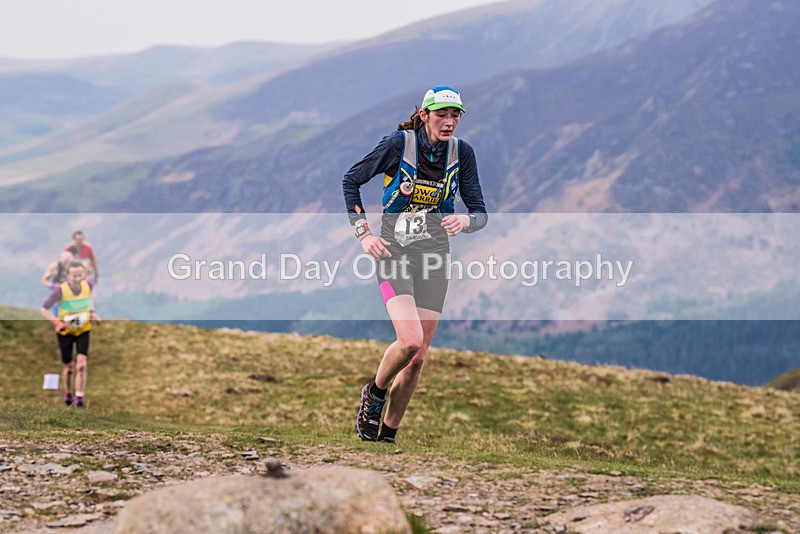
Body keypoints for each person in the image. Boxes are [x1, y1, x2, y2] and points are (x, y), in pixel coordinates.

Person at [342, 85, 488, 444]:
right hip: (394, 253)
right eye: (441, 115)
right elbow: (351, 180)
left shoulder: (462, 153)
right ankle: (374, 394)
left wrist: (466, 221)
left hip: (434, 257)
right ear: (424, 115)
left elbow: (480, 212)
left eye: (455, 115)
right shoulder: (399, 144)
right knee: (409, 341)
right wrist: (364, 235)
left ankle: (388, 436)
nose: (449, 122)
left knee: (418, 359)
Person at [40, 261, 101, 408]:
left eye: (80, 275)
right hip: (65, 332)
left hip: (83, 330)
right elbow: (44, 309)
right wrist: (57, 323)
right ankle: (68, 394)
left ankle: (79, 398)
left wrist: (92, 312)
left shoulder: (88, 285)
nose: (78, 278)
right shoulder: (60, 290)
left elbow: (89, 297)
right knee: (69, 368)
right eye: (74, 276)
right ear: (67, 276)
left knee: (82, 364)